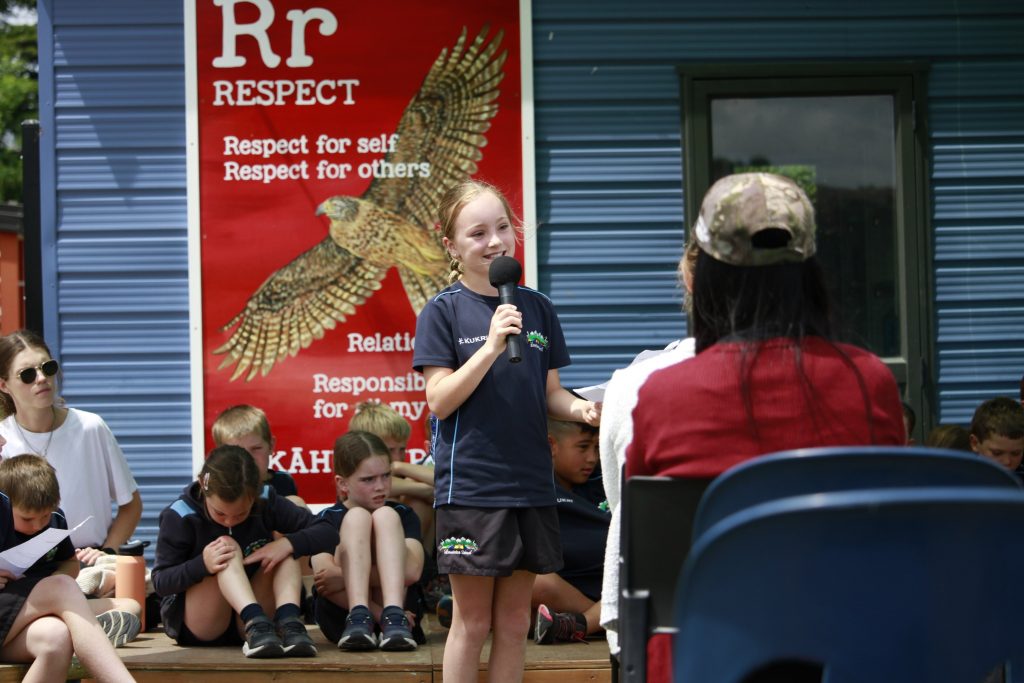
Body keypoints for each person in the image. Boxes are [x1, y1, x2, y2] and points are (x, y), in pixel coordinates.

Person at [626, 173, 906, 683]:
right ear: (810, 270)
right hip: (843, 657)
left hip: (704, 661)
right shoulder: (870, 382)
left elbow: (647, 545)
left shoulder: (665, 396)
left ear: (707, 273)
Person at [413, 179, 600, 683]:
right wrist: (491, 345)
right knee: (472, 624)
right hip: (472, 488)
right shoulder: (442, 311)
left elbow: (550, 393)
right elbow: (439, 399)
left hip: (531, 486)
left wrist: (583, 412)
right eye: (478, 233)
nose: (495, 241)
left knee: (515, 622)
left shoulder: (536, 305)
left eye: (502, 227)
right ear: (451, 245)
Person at [598, 244, 698, 672]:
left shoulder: (636, 388)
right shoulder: (862, 384)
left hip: (670, 643)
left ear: (690, 284)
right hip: (819, 644)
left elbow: (622, 502)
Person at [151, 445, 336, 658]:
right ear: (203, 484)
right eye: (219, 513)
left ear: (256, 492)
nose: (229, 520)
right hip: (204, 624)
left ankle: (289, 623)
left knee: (286, 546)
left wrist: (286, 545)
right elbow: (161, 581)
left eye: (241, 514)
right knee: (224, 546)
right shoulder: (180, 515)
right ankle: (254, 621)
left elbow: (329, 530)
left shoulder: (267, 500)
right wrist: (202, 564)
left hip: (261, 628)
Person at [0, 330, 142, 600]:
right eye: (27, 374)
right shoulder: (2, 441)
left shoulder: (90, 427)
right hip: (28, 572)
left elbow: (131, 505)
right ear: (4, 385)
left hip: (91, 561)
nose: (42, 378)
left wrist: (108, 550)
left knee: (124, 580)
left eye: (48, 367)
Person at [0, 454, 135, 682]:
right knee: (62, 588)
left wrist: (52, 586)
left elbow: (70, 562)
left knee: (56, 637)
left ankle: (78, 629)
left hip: (25, 615)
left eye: (43, 517)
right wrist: (55, 588)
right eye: (27, 518)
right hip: (12, 603)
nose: (36, 526)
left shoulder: (55, 521)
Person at [310, 431, 424, 651]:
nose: (380, 486)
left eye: (386, 475)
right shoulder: (325, 519)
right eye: (368, 479)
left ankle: (394, 614)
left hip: (403, 621)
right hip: (342, 619)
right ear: (342, 484)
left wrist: (343, 575)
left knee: (385, 516)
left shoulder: (402, 513)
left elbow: (412, 572)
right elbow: (324, 580)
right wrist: (379, 615)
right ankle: (360, 614)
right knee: (357, 518)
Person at [533, 417, 607, 645]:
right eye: (583, 447)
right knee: (528, 580)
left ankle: (578, 625)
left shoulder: (605, 484)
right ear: (550, 445)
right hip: (566, 588)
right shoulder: (534, 490)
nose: (592, 458)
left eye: (596, 448)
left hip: (612, 586)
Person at [348, 401, 434, 542]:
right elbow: (436, 489)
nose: (397, 457)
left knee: (419, 503)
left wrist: (398, 467)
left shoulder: (404, 471)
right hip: (367, 549)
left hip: (414, 550)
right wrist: (425, 489)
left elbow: (449, 481)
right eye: (389, 450)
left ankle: (424, 562)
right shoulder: (351, 476)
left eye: (402, 449)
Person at [211, 404, 304, 505]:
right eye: (236, 451)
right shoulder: (216, 487)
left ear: (271, 446)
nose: (248, 459)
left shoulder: (284, 481)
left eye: (256, 448)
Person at [968, 397, 1024, 471]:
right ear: (975, 443)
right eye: (997, 453)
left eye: (1015, 453)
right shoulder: (957, 480)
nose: (1007, 462)